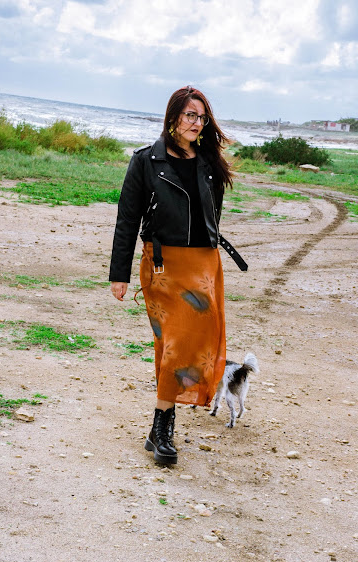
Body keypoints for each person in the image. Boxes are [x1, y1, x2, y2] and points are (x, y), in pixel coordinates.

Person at [109, 85, 247, 465]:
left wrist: (210, 254)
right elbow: (127, 219)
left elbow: (213, 215)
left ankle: (158, 429)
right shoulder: (145, 161)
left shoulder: (208, 163)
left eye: (202, 117)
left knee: (193, 345)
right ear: (173, 117)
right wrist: (119, 274)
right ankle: (163, 426)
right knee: (174, 345)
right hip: (163, 266)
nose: (196, 122)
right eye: (190, 115)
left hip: (203, 266)